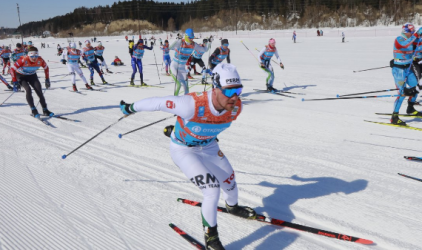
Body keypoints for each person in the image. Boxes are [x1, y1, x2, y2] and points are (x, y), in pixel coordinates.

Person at [119, 63, 256, 250]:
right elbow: (157, 102)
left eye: (238, 90)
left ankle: (232, 206)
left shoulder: (236, 107)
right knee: (212, 190)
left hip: (208, 146)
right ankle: (212, 239)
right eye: (228, 91)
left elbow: (210, 125)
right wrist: (130, 108)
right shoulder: (190, 105)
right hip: (183, 149)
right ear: (215, 88)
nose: (234, 97)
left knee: (230, 181)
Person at [390, 23, 422, 125]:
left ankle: (410, 108)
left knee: (415, 87)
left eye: (413, 32)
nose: (412, 34)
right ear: (406, 32)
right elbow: (404, 45)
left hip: (408, 68)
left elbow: (417, 50)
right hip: (399, 70)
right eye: (411, 32)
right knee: (402, 93)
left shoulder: (412, 40)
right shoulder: (399, 39)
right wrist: (416, 35)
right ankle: (394, 116)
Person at [10, 47, 54, 118]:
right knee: (28, 90)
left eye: (36, 56)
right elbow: (12, 69)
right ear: (28, 55)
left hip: (32, 75)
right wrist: (15, 81)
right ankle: (33, 110)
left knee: (39, 92)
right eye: (32, 56)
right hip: (21, 76)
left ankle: (45, 109)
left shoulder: (40, 60)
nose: (34, 58)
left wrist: (47, 79)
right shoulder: (23, 60)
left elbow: (46, 68)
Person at [169, 28, 208, 95]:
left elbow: (205, 50)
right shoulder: (181, 42)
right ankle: (174, 101)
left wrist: (208, 43)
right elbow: (169, 47)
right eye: (190, 38)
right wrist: (177, 39)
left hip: (182, 69)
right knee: (178, 85)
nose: (192, 39)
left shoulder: (193, 45)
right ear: (186, 36)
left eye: (192, 38)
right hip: (174, 66)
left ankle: (185, 102)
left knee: (186, 88)